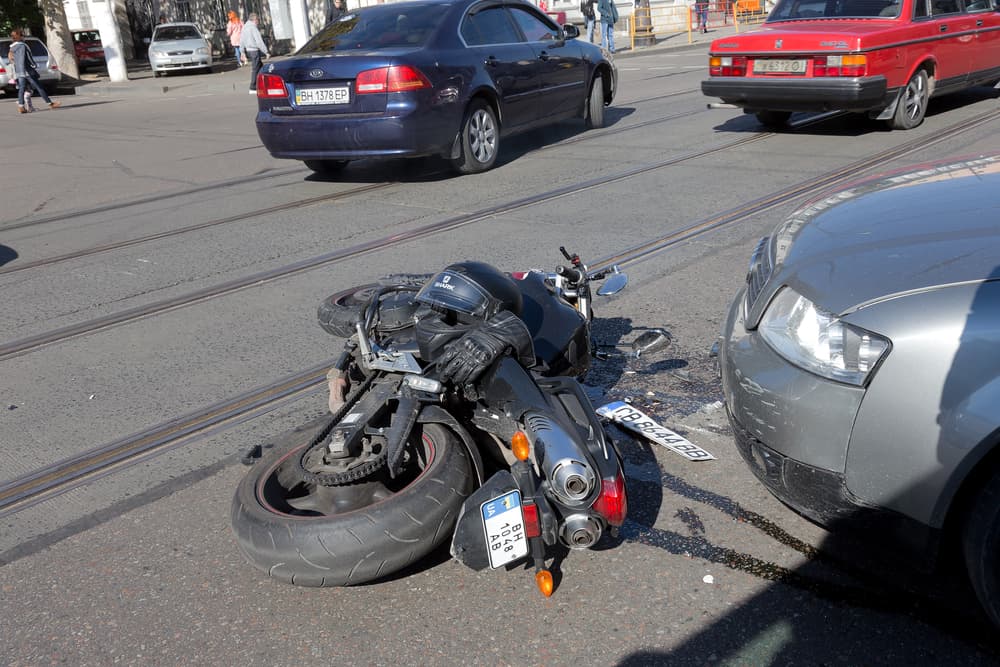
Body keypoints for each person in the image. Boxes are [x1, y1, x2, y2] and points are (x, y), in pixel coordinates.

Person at [7, 30, 60, 114]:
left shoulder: (12, 48)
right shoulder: (23, 46)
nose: (24, 37)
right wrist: (34, 65)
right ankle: (50, 103)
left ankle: (21, 107)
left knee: (21, 88)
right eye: (23, 35)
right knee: (39, 87)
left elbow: (11, 59)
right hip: (27, 70)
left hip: (19, 71)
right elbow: (28, 57)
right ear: (20, 37)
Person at [239, 13, 270, 94]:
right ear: (254, 20)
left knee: (261, 68)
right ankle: (253, 87)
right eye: (258, 20)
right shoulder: (253, 28)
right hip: (254, 50)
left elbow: (241, 40)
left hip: (248, 50)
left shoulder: (244, 27)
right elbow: (259, 41)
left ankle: (265, 84)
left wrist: (242, 51)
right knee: (256, 69)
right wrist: (266, 51)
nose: (258, 22)